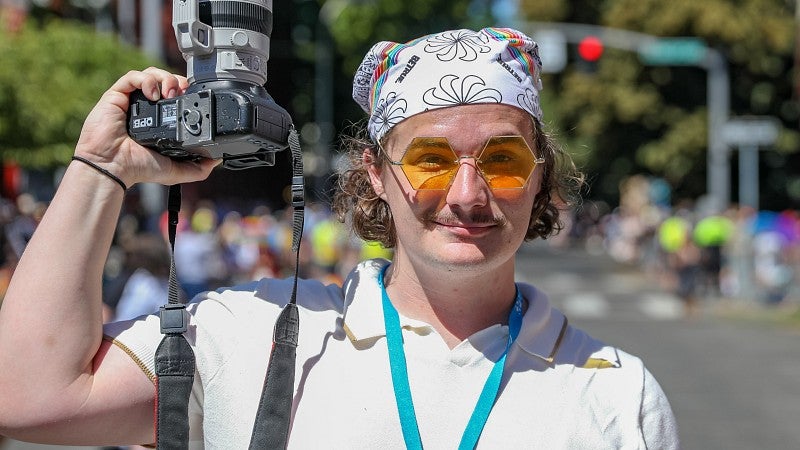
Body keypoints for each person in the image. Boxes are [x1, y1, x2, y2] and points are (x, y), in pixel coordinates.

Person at [0, 27, 679, 448]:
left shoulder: (618, 395)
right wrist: (100, 170)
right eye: (431, 160)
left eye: (501, 161)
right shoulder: (252, 335)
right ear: (377, 175)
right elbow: (30, 398)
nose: (468, 195)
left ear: (539, 179)